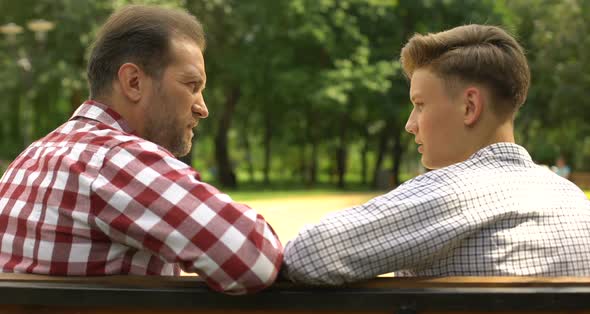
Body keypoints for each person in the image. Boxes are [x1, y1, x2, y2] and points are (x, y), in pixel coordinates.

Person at [0, 4, 283, 298]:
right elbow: (254, 256)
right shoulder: (112, 160)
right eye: (191, 84)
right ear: (133, 82)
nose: (203, 108)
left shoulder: (30, 158)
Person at [282, 24, 590, 284]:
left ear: (469, 107)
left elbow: (307, 254)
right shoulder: (574, 200)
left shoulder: (449, 192)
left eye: (419, 104)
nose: (410, 125)